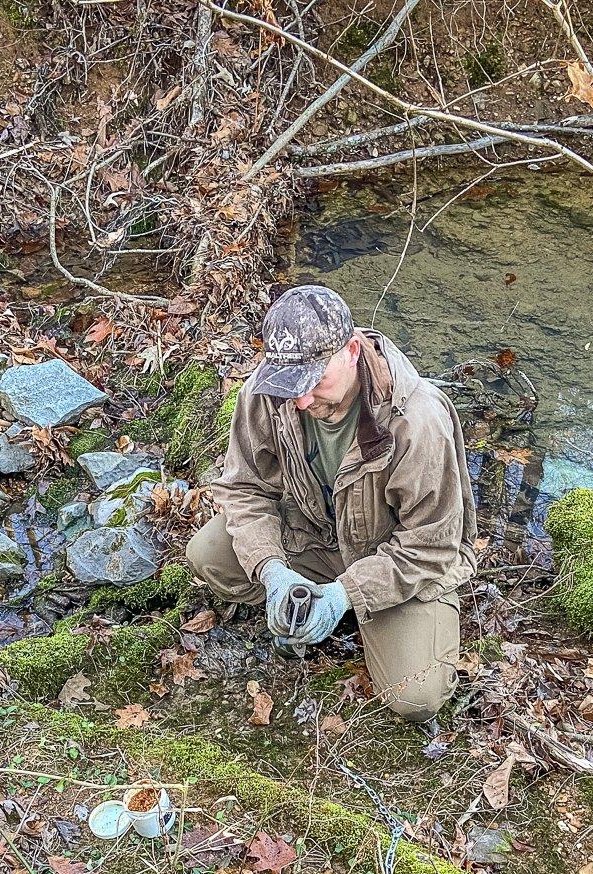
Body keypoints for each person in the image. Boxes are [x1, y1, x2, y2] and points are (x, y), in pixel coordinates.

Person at [185, 284, 477, 722]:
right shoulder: (267, 393)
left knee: (416, 698)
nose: (300, 401)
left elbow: (431, 546)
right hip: (315, 538)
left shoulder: (417, 421)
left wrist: (346, 593)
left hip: (397, 563)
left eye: (313, 382)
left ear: (352, 351)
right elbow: (245, 489)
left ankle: (347, 611)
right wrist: (272, 570)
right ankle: (308, 599)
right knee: (207, 555)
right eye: (289, 386)